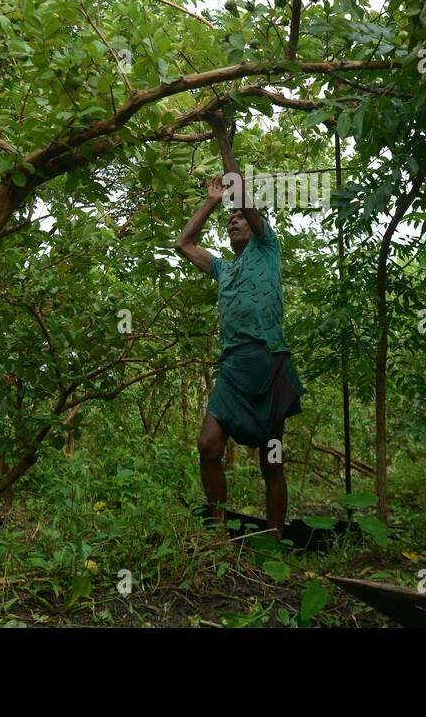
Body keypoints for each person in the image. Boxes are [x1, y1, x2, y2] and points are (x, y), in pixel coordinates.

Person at [173, 111, 306, 544]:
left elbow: (240, 190)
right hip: (232, 369)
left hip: (268, 363)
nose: (234, 221)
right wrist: (211, 201)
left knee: (272, 459)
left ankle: (274, 541)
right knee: (208, 445)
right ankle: (218, 536)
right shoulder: (223, 270)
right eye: (229, 221)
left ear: (257, 225)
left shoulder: (268, 249)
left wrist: (219, 134)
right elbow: (183, 244)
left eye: (240, 217)